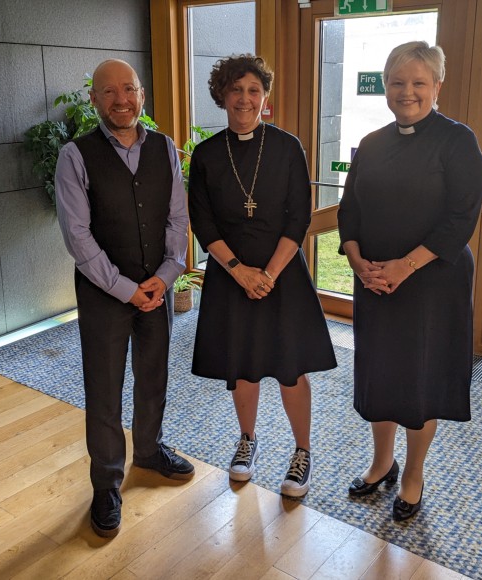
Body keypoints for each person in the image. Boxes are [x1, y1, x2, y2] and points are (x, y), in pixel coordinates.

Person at [338, 41, 482, 521]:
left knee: (422, 380)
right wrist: (359, 262)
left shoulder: (457, 141)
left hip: (432, 284)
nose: (407, 92)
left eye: (419, 82)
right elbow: (349, 211)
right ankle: (382, 462)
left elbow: (461, 217)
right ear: (385, 87)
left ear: (437, 86)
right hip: (376, 282)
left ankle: (413, 475)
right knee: (380, 375)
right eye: (397, 82)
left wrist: (405, 265)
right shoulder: (373, 143)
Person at [55, 59, 194, 538]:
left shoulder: (166, 149)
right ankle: (107, 483)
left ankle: (150, 451)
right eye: (109, 92)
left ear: (141, 94)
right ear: (94, 99)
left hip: (156, 288)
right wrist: (124, 288)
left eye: (129, 89)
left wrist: (166, 273)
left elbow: (178, 220)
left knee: (154, 375)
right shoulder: (75, 156)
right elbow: (78, 237)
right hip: (103, 295)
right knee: (105, 389)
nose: (122, 100)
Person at [188, 54, 337, 498]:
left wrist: (267, 273)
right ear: (222, 96)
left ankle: (302, 451)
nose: (245, 99)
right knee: (244, 366)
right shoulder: (207, 154)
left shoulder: (288, 147)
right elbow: (203, 222)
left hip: (283, 274)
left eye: (254, 90)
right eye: (236, 90)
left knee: (291, 369)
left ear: (265, 97)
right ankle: (248, 440)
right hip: (232, 277)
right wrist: (239, 271)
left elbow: (299, 218)